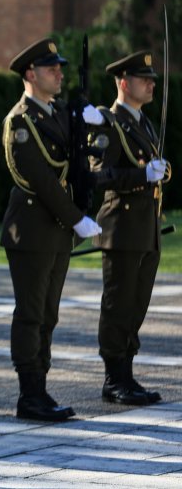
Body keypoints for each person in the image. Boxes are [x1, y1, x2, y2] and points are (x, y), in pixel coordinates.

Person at [1, 38, 103, 421]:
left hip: (56, 231)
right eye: (50, 69)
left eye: (60, 67)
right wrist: (76, 217)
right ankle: (29, 394)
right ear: (30, 74)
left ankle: (40, 388)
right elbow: (41, 178)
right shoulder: (21, 120)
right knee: (31, 313)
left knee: (49, 313)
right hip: (30, 230)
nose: (59, 74)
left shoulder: (60, 113)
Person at [90, 51, 168, 405]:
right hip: (121, 228)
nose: (151, 83)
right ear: (123, 83)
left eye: (151, 78)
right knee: (118, 304)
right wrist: (141, 176)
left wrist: (159, 172)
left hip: (145, 229)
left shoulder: (143, 122)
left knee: (136, 305)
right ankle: (114, 378)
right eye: (143, 78)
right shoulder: (109, 123)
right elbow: (98, 174)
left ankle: (128, 374)